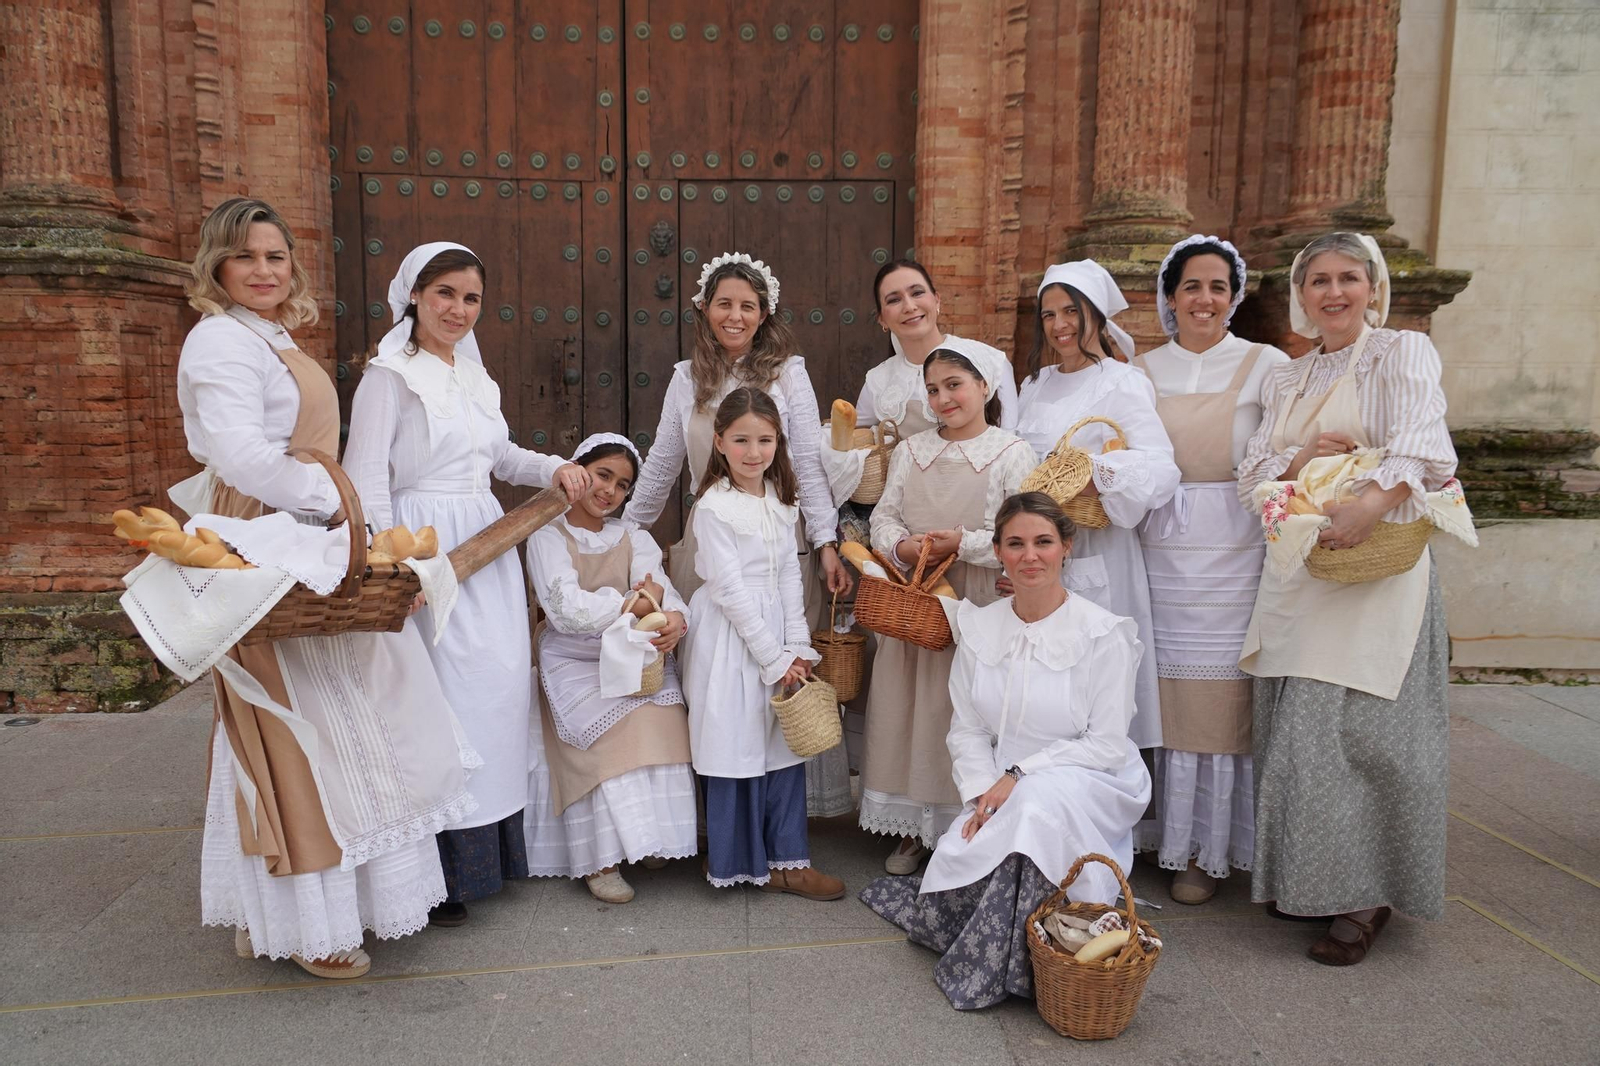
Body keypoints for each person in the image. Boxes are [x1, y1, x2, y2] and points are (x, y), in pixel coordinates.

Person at [177, 198, 476, 977]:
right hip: (264, 536)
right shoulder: (217, 341)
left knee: (340, 712)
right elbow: (242, 454)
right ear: (218, 265)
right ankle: (307, 922)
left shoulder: (267, 336)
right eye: (248, 257)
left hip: (302, 530)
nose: (266, 270)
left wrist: (328, 516)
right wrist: (329, 508)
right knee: (284, 723)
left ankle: (279, 906)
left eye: (276, 257)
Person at [343, 242, 589, 927]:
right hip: (425, 551)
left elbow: (499, 455)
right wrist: (397, 568)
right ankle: (435, 874)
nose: (457, 309)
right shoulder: (387, 377)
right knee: (439, 703)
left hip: (485, 548)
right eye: (445, 293)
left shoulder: (479, 379)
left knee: (494, 691)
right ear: (414, 296)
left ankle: (488, 859)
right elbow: (365, 477)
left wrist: (553, 469)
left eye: (471, 297)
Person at [1237, 232, 1461, 966]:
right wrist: (1302, 463)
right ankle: (1309, 880)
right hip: (1307, 573)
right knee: (1304, 736)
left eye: (1347, 279)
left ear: (1373, 287)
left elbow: (1424, 441)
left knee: (1365, 739)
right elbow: (1255, 474)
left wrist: (1370, 502)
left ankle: (1367, 898)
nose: (1333, 293)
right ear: (1301, 294)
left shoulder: (1403, 353)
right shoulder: (1287, 378)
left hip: (1377, 571)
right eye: (1318, 281)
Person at [860, 492, 1150, 1010]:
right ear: (998, 551)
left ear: (1066, 547)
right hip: (1000, 781)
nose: (1029, 556)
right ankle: (1033, 946)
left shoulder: (1104, 633)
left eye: (1043, 542)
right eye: (1015, 544)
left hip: (1091, 776)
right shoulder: (979, 628)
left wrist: (1018, 775)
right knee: (997, 826)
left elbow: (1106, 743)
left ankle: (1005, 962)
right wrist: (978, 797)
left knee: (1034, 808)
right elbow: (967, 730)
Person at [623, 252, 853, 818]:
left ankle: (782, 820)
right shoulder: (687, 378)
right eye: (724, 304)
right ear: (704, 309)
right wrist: (622, 530)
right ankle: (713, 816)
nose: (735, 315)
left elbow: (805, 461)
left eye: (747, 306)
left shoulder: (787, 373)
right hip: (714, 544)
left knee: (775, 670)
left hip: (775, 544)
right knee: (717, 685)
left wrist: (825, 542)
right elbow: (662, 463)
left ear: (764, 312)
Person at [1130, 237, 1290, 905]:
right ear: (1170, 297)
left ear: (1235, 295)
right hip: (1160, 544)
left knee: (1223, 695)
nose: (1204, 299)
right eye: (1191, 287)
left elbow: (1282, 450)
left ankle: (1209, 849)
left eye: (1217, 287)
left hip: (1238, 541)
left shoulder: (1268, 365)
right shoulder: (1139, 369)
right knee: (1164, 693)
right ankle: (1164, 836)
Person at [859, 347, 1034, 873]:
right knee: (913, 707)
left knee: (966, 707)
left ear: (985, 386)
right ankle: (914, 824)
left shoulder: (1011, 452)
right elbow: (883, 519)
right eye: (933, 390)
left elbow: (1020, 530)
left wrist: (963, 543)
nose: (943, 398)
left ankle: (971, 820)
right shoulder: (912, 451)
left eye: (954, 384)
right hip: (917, 598)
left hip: (976, 597)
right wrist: (904, 548)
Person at [678, 388, 846, 900]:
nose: (755, 452)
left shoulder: (779, 498)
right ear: (720, 442)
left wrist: (796, 642)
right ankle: (739, 860)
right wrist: (772, 657)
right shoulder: (714, 507)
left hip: (773, 626)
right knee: (736, 740)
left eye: (765, 440)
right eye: (742, 440)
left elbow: (789, 577)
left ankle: (789, 859)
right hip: (733, 636)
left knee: (780, 741)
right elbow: (729, 591)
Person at [523, 434, 697, 903]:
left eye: (622, 485)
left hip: (633, 655)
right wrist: (631, 603)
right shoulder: (546, 533)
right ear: (579, 471)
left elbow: (660, 589)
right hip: (572, 655)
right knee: (599, 737)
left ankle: (647, 837)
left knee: (662, 717)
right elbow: (564, 608)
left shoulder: (633, 536)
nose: (610, 491)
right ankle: (601, 858)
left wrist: (676, 618)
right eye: (603, 476)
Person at [1014, 260, 1180, 749]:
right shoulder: (1035, 385)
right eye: (1049, 315)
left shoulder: (1121, 382)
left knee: (1093, 686)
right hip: (1037, 554)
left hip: (1097, 550)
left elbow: (1161, 467)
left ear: (1096, 315)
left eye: (1071, 311)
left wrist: (1095, 477)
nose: (1060, 325)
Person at [858, 259, 1019, 436]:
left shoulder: (989, 361)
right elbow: (852, 440)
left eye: (917, 293)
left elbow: (1009, 439)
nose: (910, 307)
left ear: (936, 300)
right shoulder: (877, 381)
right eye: (894, 300)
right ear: (882, 319)